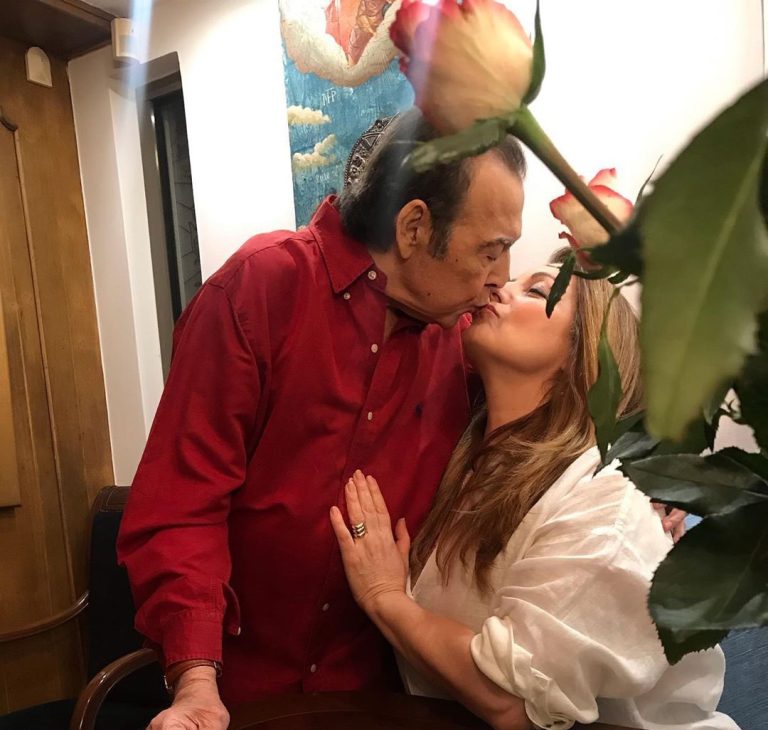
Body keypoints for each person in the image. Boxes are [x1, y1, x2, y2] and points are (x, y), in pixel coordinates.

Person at [117, 108, 526, 729]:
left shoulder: (462, 338)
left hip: (383, 700)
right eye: (490, 251)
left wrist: (646, 480)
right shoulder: (261, 289)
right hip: (241, 700)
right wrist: (196, 682)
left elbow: (556, 407)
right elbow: (183, 502)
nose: (501, 278)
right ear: (414, 227)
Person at [330, 251, 738, 730]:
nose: (498, 286)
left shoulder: (607, 503)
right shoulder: (473, 461)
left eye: (537, 289)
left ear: (587, 356)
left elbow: (512, 700)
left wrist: (384, 596)